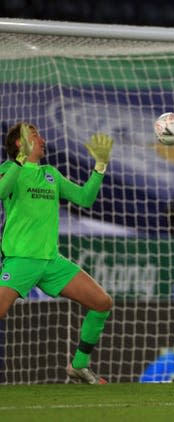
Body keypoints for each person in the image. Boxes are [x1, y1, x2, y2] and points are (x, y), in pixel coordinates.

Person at [0, 122, 114, 384]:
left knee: (102, 303)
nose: (41, 139)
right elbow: (1, 192)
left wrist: (99, 166)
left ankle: (79, 366)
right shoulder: (7, 170)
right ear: (19, 143)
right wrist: (18, 162)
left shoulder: (50, 173)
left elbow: (84, 198)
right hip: (21, 260)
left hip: (51, 261)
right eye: (34, 134)